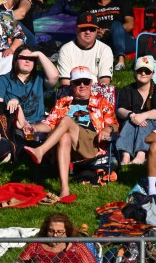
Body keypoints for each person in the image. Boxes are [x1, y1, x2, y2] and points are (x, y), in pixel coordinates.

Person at [24, 66, 118, 201]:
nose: (82, 85)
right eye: (77, 82)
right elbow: (49, 124)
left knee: (66, 120)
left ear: (91, 83)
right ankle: (64, 189)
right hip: (68, 146)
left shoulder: (101, 102)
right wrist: (34, 128)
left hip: (91, 143)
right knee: (64, 135)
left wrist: (108, 129)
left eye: (85, 82)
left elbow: (114, 124)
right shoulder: (63, 102)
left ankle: (40, 151)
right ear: (71, 84)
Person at [115, 56, 156, 165]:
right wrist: (131, 115)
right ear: (134, 72)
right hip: (131, 124)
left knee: (146, 123)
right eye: (140, 70)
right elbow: (120, 109)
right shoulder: (127, 90)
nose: (143, 73)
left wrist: (143, 116)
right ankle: (125, 156)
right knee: (129, 121)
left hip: (154, 127)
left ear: (152, 74)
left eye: (147, 71)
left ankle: (141, 155)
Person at [0, 46, 59, 132]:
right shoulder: (4, 80)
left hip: (39, 125)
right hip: (14, 126)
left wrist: (39, 54)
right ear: (15, 60)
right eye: (23, 58)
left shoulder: (39, 77)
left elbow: (54, 76)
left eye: (31, 58)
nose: (27, 61)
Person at [80, 0, 133, 70]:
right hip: (100, 39)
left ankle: (121, 61)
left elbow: (130, 24)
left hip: (123, 40)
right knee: (90, 35)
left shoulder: (121, 1)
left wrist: (110, 31)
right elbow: (82, 26)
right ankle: (97, 63)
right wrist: (96, 31)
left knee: (116, 24)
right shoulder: (89, 5)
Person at [56, 12, 114, 86]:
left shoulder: (105, 50)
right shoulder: (66, 50)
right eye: (84, 28)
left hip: (97, 92)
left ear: (97, 30)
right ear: (76, 29)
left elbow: (105, 81)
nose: (88, 32)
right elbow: (65, 82)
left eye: (92, 29)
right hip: (72, 92)